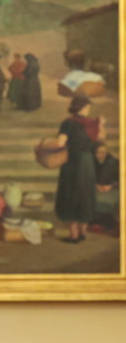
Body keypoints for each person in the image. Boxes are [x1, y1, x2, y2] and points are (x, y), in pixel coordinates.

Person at [55, 95, 103, 243]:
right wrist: (101, 126)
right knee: (85, 195)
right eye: (87, 107)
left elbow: (59, 143)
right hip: (87, 164)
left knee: (71, 195)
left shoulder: (68, 123)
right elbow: (100, 141)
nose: (89, 110)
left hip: (72, 163)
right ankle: (83, 232)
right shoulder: (93, 123)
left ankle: (74, 235)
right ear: (81, 107)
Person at [94, 143, 119, 231]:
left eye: (103, 152)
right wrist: (96, 185)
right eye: (98, 152)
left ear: (107, 152)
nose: (101, 155)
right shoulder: (92, 162)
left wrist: (110, 186)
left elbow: (120, 179)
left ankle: (108, 223)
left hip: (112, 189)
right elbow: (88, 177)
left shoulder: (114, 162)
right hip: (96, 189)